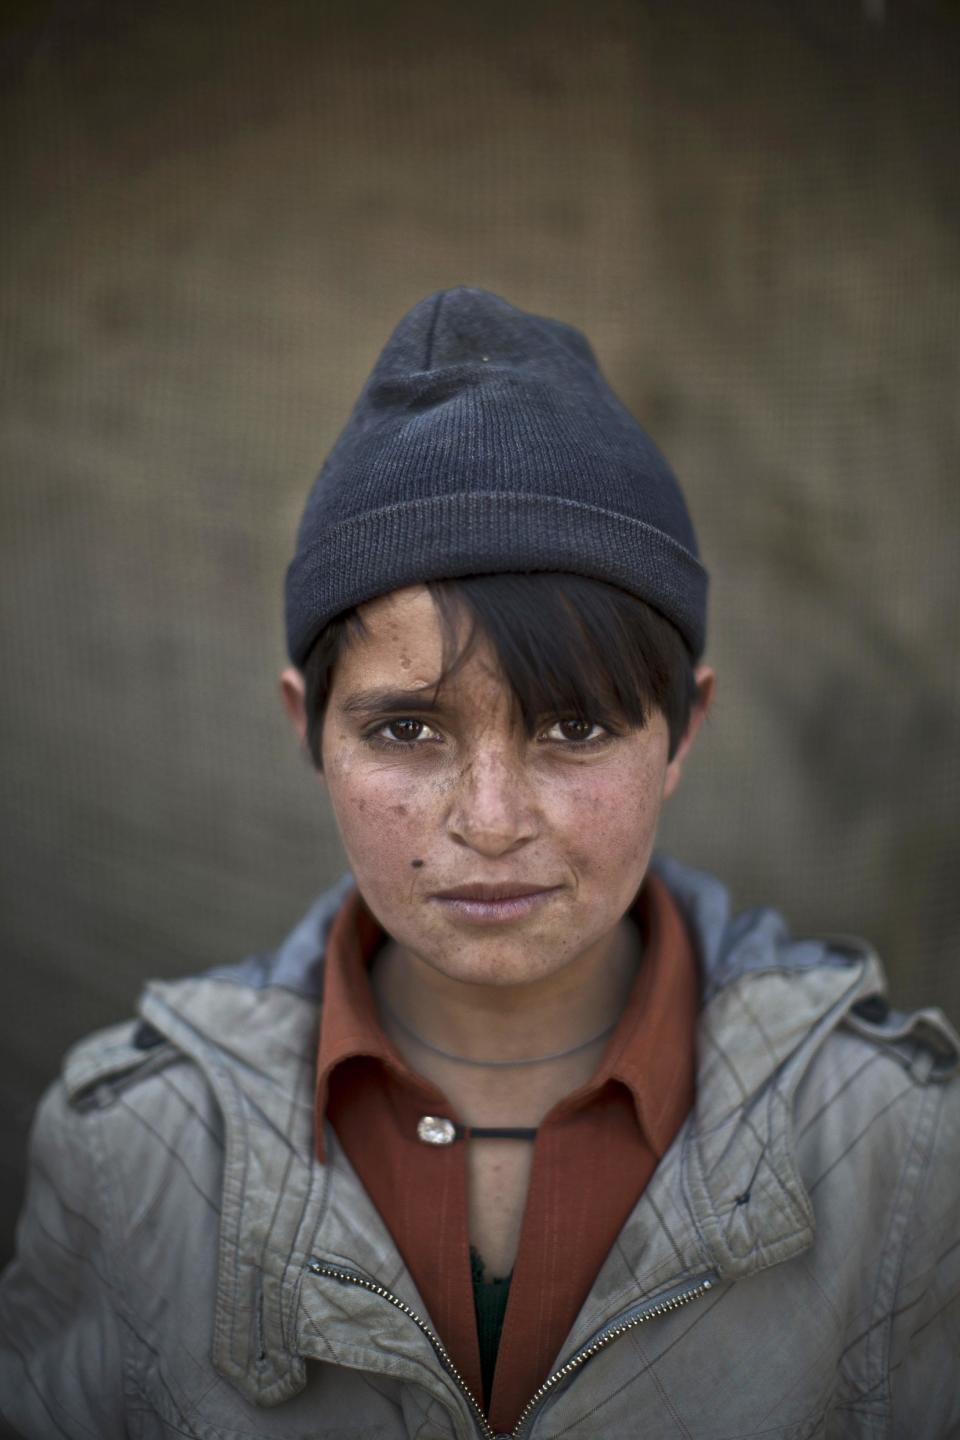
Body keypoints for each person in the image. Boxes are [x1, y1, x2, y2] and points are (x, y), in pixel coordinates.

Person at [0, 287, 957, 1440]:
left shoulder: (898, 1150)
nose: (492, 819)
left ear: (684, 732)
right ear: (308, 728)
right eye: (407, 731)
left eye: (577, 727)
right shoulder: (131, 1148)